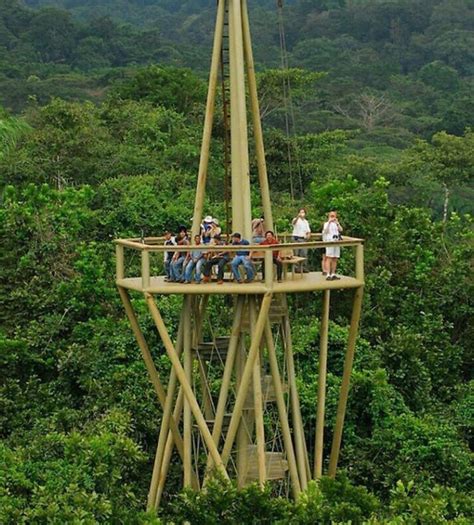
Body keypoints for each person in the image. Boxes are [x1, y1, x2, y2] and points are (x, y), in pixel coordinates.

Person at [322, 210, 343, 281]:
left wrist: (337, 223)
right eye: (331, 216)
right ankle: (328, 274)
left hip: (336, 242)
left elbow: (341, 230)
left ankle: (333, 273)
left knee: (335, 258)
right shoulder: (326, 223)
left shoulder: (336, 224)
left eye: (334, 216)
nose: (333, 217)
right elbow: (325, 231)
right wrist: (329, 222)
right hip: (329, 242)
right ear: (329, 216)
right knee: (329, 258)